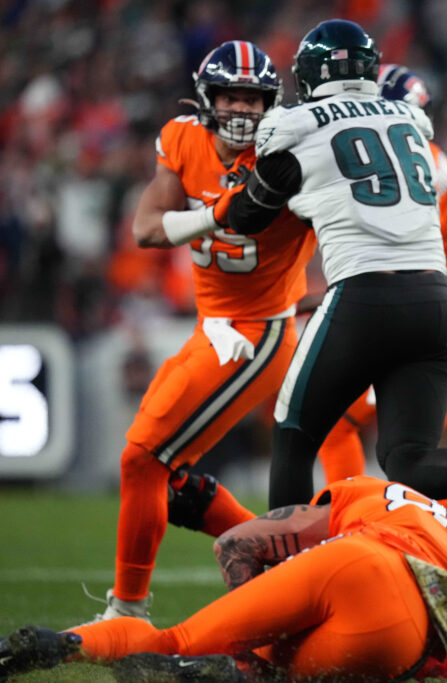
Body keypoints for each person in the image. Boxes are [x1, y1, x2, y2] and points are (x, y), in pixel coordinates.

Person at [90, 40, 318, 623]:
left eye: (254, 98)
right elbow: (145, 229)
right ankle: (292, 572)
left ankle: (128, 609)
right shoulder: (183, 137)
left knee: (143, 458)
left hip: (261, 331)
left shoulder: (293, 155)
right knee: (170, 475)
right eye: (231, 95)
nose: (242, 108)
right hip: (212, 324)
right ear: (207, 98)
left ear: (273, 104)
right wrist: (218, 213)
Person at [223, 20, 447, 508]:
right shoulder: (410, 120)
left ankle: (285, 574)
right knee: (409, 461)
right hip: (435, 302)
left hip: (363, 298)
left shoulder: (294, 124)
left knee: (293, 438)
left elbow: (248, 219)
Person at [315, 62, 447, 607]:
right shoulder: (428, 159)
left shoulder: (399, 163)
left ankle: (352, 537)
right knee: (408, 453)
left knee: (375, 439)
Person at [0, 475, 447, 681]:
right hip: (401, 637)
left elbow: (240, 543)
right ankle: (230, 673)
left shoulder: (382, 493)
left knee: (177, 640)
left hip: (363, 561)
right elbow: (435, 658)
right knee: (264, 676)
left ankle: (61, 644)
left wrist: (251, 635)